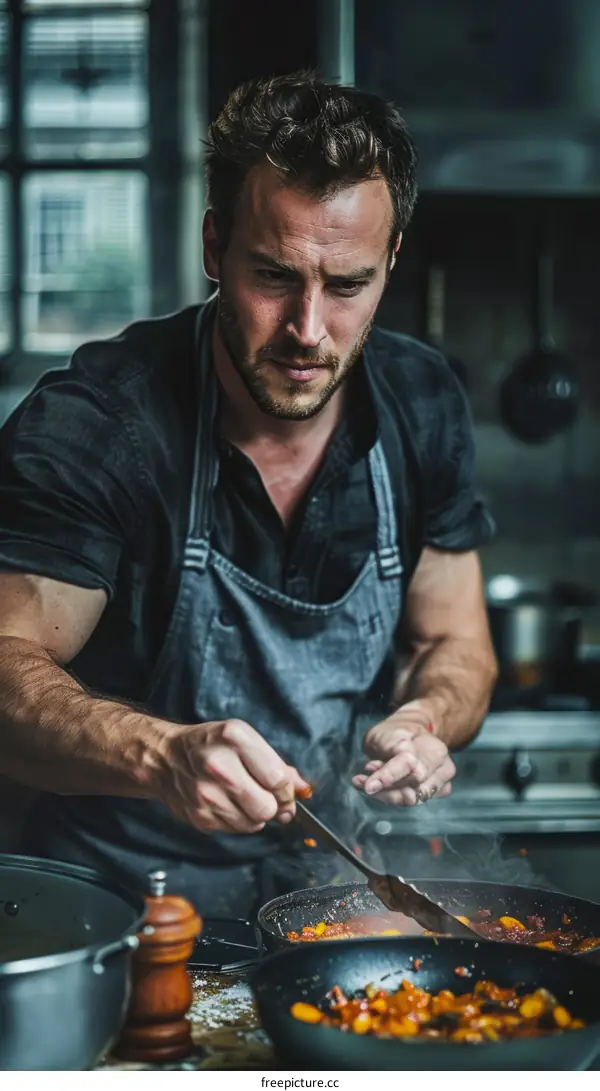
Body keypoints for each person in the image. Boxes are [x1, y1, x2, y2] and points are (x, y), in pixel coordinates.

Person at [0, 72, 497, 918]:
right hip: (118, 912)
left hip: (333, 906)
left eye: (348, 286)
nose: (308, 330)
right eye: (273, 276)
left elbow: (457, 640)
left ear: (392, 263)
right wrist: (161, 755)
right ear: (213, 247)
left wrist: (427, 718)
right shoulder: (98, 423)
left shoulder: (423, 402)